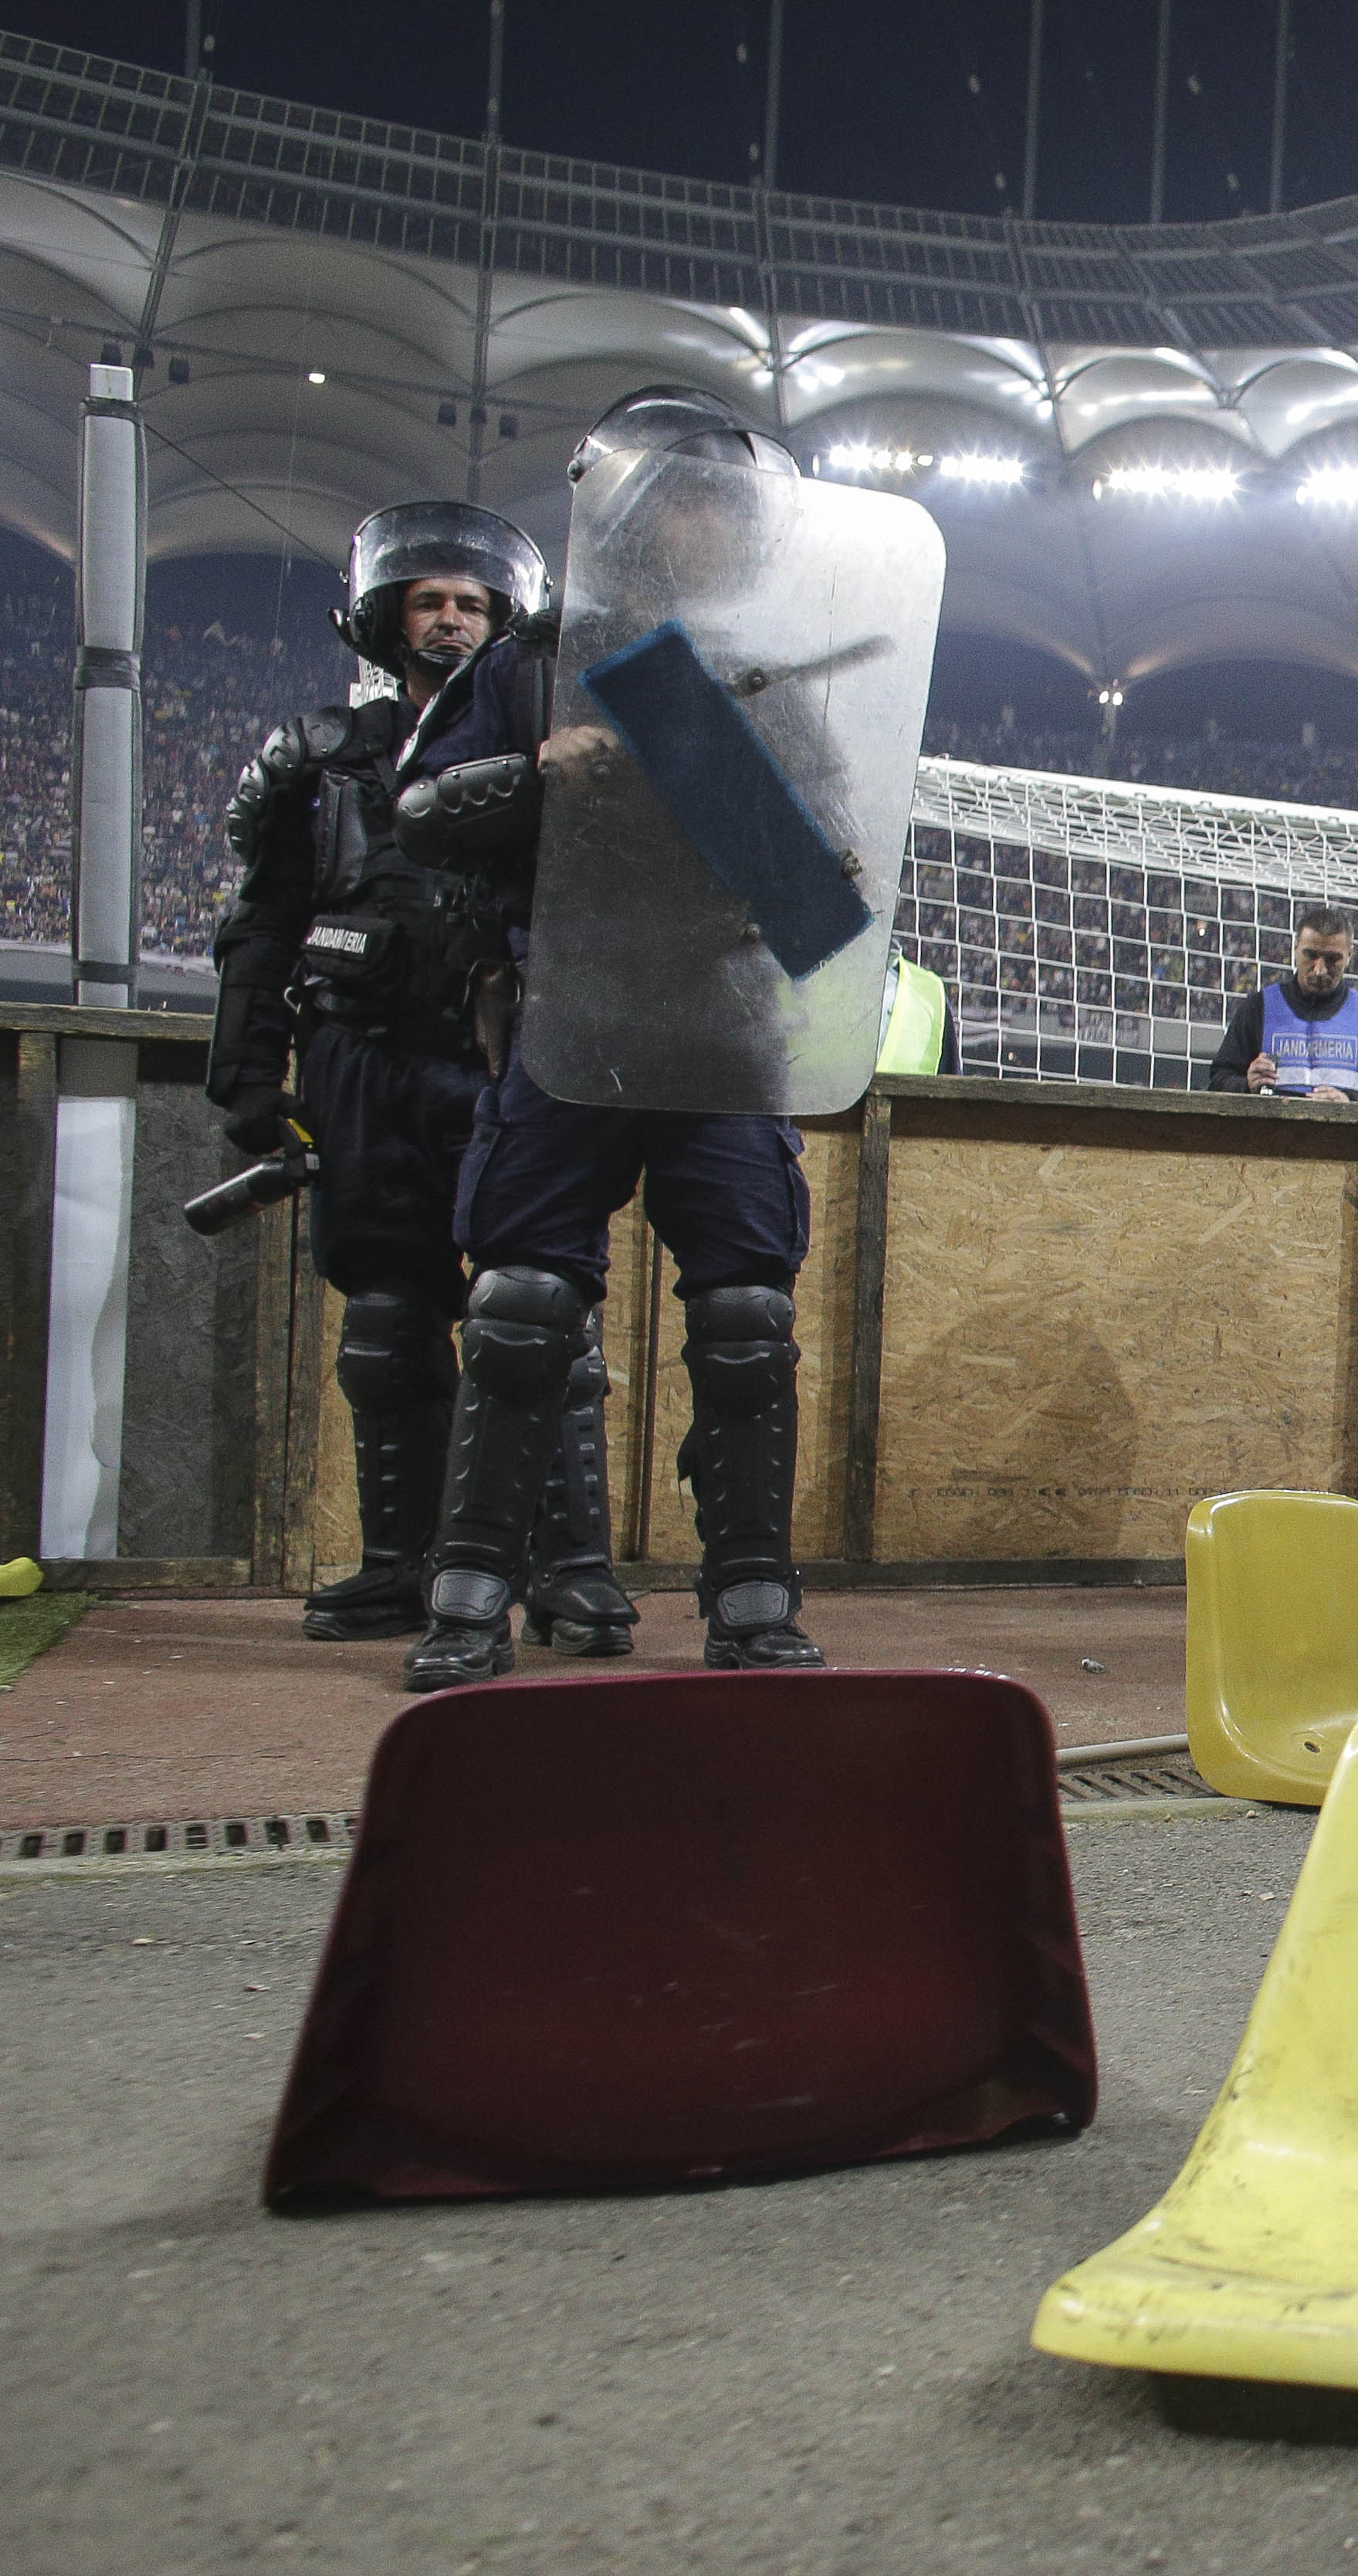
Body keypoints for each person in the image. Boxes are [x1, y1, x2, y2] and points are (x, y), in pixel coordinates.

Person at [395, 383, 840, 1687]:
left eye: (729, 503)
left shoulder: (761, 681)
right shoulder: (531, 660)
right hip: (572, 1014)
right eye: (689, 498)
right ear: (640, 513)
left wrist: (804, 846)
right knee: (525, 1307)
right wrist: (540, 770)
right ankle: (470, 1592)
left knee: (748, 1317)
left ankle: (752, 1594)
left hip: (718, 1027)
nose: (711, 520)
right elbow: (420, 812)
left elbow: (810, 894)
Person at [204, 499, 634, 1656]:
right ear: (384, 615)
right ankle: (400, 1566)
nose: (449, 620)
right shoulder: (318, 760)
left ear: (505, 620)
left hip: (507, 1060)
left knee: (544, 1325)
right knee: (388, 1326)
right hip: (364, 1064)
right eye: (428, 600)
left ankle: (573, 1572)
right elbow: (261, 925)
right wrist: (246, 1078)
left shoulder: (553, 752)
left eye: (472, 603)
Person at [1207, 908, 1358, 1102]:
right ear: (1296, 948)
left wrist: (1351, 1101)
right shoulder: (1258, 1009)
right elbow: (1218, 1082)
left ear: (1350, 956)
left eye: (1333, 959)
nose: (1319, 970)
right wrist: (1247, 1086)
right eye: (1311, 955)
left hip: (1343, 1139)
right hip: (1270, 1138)